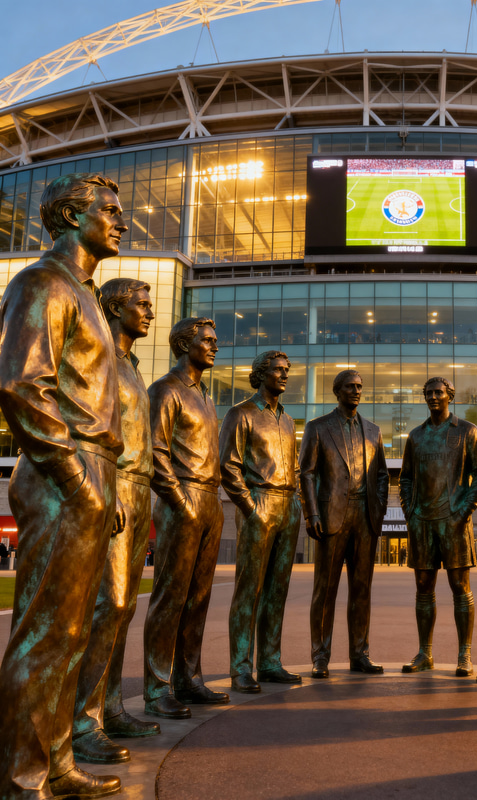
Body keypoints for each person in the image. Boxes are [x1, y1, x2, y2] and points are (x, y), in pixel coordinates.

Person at [0, 173, 126, 799]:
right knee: (45, 631)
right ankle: (22, 779)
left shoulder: (83, 293)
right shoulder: (43, 283)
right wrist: (77, 478)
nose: (121, 221)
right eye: (109, 210)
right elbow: (22, 385)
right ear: (73, 216)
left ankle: (55, 764)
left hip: (91, 469)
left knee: (72, 631)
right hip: (63, 471)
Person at [72, 279, 161, 765]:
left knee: (123, 607)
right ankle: (82, 723)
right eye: (141, 305)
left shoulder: (129, 364)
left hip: (139, 488)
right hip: (115, 483)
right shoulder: (101, 355)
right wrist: (106, 486)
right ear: (115, 308)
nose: (148, 312)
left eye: (149, 304)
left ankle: (108, 707)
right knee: (109, 603)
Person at [142, 318, 229, 718]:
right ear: (184, 344)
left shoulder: (206, 397)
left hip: (210, 500)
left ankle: (189, 679)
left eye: (215, 341)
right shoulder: (166, 390)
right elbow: (155, 451)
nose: (214, 347)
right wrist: (179, 500)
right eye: (207, 340)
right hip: (184, 499)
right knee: (170, 597)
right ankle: (157, 687)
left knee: (198, 598)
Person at [220, 350, 302, 694]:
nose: (284, 375)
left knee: (277, 591)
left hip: (288, 506)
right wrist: (250, 506)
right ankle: (241, 667)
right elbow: (228, 466)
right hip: (260, 503)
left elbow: (294, 466)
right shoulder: (241, 414)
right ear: (261, 374)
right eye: (278, 370)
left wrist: (295, 501)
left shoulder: (287, 419)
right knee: (249, 591)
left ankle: (269, 662)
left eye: (286, 370)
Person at [300, 369, 389, 678]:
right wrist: (312, 513)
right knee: (325, 589)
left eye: (359, 386)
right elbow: (307, 473)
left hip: (365, 517)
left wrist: (376, 512)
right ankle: (320, 656)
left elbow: (381, 475)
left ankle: (360, 654)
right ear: (337, 391)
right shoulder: (318, 427)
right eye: (350, 386)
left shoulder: (373, 430)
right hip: (331, 516)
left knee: (362, 589)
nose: (356, 391)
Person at [399, 377, 477, 676]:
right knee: (423, 587)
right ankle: (425, 653)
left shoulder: (467, 431)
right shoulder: (416, 436)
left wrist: (462, 512)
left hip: (454, 521)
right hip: (422, 521)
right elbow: (406, 477)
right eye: (429, 393)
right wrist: (409, 510)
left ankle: (465, 655)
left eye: (439, 392)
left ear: (450, 396)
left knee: (460, 587)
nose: (434, 397)